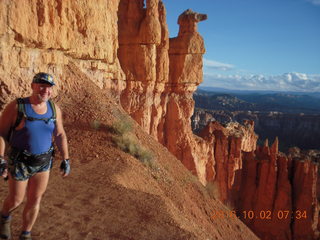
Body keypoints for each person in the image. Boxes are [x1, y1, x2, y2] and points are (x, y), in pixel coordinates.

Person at [0, 72, 71, 240]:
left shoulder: (54, 109)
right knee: (16, 200)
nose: (46, 90)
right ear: (32, 86)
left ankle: (26, 234)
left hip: (43, 163)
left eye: (49, 88)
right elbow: (1, 134)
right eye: (42, 86)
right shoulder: (17, 107)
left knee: (35, 199)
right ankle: (4, 218)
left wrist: (66, 159)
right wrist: (1, 158)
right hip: (20, 162)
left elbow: (60, 135)